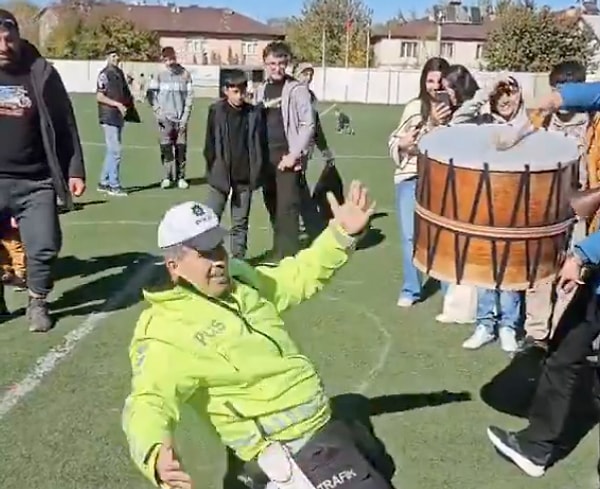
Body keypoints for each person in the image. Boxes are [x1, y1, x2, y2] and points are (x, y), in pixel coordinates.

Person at [121, 182, 395, 489]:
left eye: (219, 247)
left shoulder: (242, 281)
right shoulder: (163, 331)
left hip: (322, 430)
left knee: (380, 462)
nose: (219, 260)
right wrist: (154, 452)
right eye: (205, 253)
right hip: (287, 456)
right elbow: (148, 401)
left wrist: (340, 235)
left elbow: (296, 275)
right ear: (173, 266)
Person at [0, 9, 86, 332]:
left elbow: (65, 122)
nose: (3, 45)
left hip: (35, 180)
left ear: (18, 38)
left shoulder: (41, 73)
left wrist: (74, 169)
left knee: (45, 244)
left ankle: (37, 300)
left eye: (9, 38)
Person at [388, 56, 450, 308]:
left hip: (444, 180)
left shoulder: (457, 112)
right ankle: (411, 289)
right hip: (411, 177)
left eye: (440, 81)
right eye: (430, 81)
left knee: (444, 237)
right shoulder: (415, 107)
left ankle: (450, 289)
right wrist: (403, 143)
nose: (435, 86)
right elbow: (399, 141)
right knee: (410, 236)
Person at [254, 42, 315, 260]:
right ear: (265, 64)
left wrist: (294, 155)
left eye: (281, 63)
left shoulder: (297, 90)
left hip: (288, 156)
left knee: (287, 207)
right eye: (272, 63)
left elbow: (308, 124)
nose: (277, 68)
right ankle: (278, 248)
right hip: (266, 157)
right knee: (271, 204)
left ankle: (288, 254)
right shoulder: (261, 90)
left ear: (287, 64)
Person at [203, 69, 264, 259]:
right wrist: (213, 166)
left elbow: (259, 143)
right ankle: (207, 256)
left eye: (242, 91)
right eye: (235, 91)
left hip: (244, 176)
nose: (239, 96)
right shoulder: (216, 111)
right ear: (225, 91)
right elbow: (210, 143)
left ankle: (238, 260)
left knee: (240, 223)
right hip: (221, 175)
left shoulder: (253, 113)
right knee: (211, 220)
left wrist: (256, 168)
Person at [149, 46, 193, 190]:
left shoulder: (185, 74)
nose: (169, 62)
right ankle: (167, 177)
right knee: (166, 149)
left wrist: (185, 116)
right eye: (166, 59)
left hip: (180, 118)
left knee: (181, 148)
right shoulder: (159, 75)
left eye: (171, 59)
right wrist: (158, 113)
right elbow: (151, 96)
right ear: (163, 60)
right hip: (165, 119)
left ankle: (181, 177)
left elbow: (189, 97)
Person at [96, 48, 133, 197]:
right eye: (113, 55)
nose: (116, 58)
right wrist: (117, 104)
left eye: (117, 55)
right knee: (116, 151)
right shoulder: (105, 74)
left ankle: (103, 181)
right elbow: (99, 96)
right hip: (109, 116)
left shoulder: (119, 73)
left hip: (118, 117)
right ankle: (114, 185)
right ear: (107, 57)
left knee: (111, 151)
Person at [0, 212, 26, 288]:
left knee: (15, 249)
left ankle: (20, 274)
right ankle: (7, 272)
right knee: (2, 253)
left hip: (5, 223)